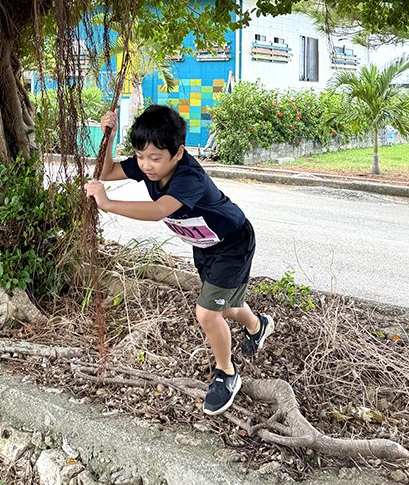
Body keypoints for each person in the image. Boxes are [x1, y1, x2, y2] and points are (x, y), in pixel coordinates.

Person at [85, 105, 274, 417]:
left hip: (232, 243)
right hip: (205, 244)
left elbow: (159, 210)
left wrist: (107, 202)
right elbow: (106, 172)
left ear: (178, 152)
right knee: (224, 307)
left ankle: (226, 373)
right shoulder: (149, 165)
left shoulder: (188, 177)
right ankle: (258, 325)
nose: (145, 165)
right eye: (140, 156)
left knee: (207, 313)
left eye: (155, 158)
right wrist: (110, 136)